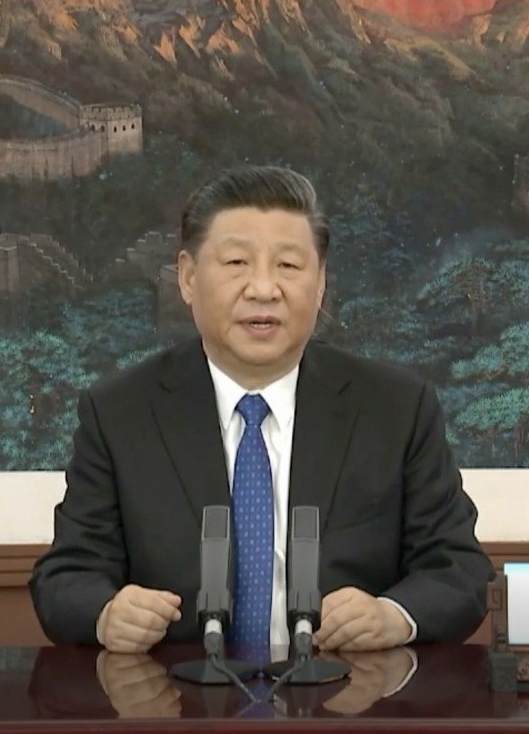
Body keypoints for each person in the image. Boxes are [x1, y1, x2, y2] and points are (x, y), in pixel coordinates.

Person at [29, 165, 493, 654]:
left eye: (289, 267)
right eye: (236, 264)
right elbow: (66, 577)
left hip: (346, 705)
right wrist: (107, 614)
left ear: (319, 285)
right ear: (188, 278)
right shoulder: (120, 412)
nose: (264, 289)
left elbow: (459, 569)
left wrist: (393, 616)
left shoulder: (396, 409)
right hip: (180, 708)